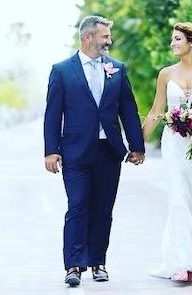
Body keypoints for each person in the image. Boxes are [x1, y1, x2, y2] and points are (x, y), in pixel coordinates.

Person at [44, 15, 145, 287]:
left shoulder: (117, 69)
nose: (108, 41)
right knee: (77, 205)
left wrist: (137, 146)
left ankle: (98, 262)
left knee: (103, 208)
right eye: (104, 36)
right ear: (88, 37)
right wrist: (51, 151)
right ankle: (73, 265)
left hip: (109, 151)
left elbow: (129, 110)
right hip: (75, 152)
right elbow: (52, 115)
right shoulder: (62, 70)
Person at [143, 22, 192, 282]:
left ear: (191, 41)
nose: (172, 43)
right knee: (178, 199)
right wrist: (137, 143)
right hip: (175, 144)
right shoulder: (166, 74)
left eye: (177, 39)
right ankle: (183, 263)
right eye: (172, 39)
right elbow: (156, 110)